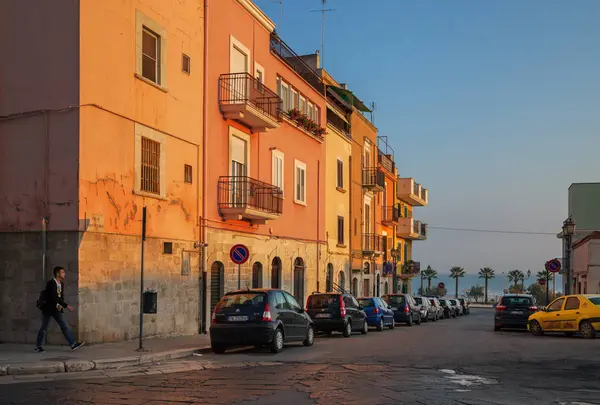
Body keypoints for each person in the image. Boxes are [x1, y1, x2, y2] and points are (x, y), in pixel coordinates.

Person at [35, 266, 84, 353]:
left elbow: (60, 297)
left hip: (56, 309)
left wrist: (62, 305)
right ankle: (38, 346)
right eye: (62, 272)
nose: (64, 274)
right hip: (48, 308)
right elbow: (53, 297)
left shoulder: (61, 284)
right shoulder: (51, 283)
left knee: (63, 325)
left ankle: (73, 344)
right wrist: (65, 305)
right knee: (44, 327)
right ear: (58, 273)